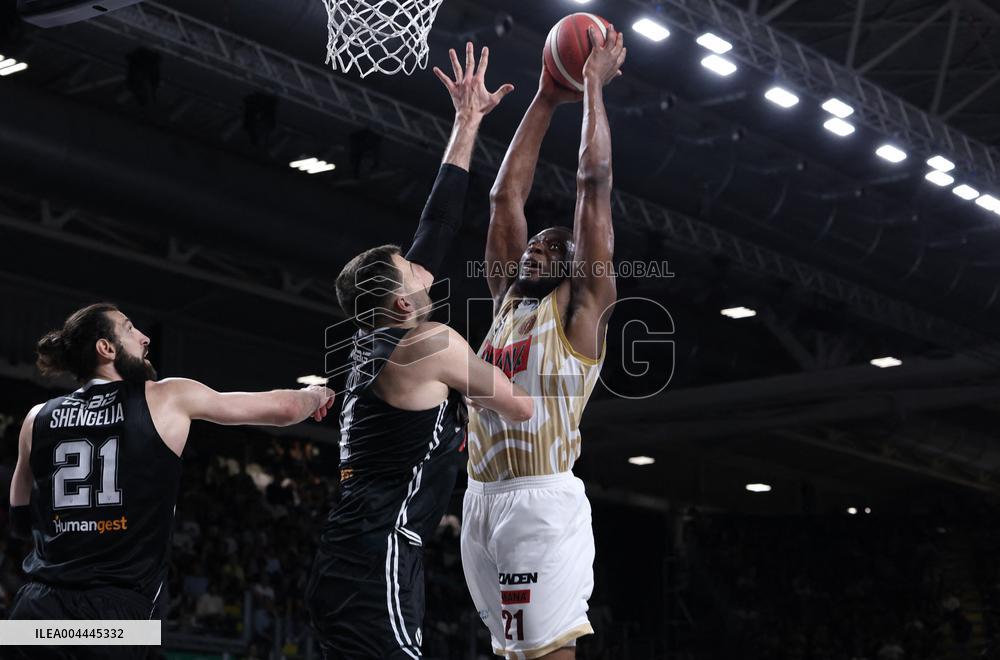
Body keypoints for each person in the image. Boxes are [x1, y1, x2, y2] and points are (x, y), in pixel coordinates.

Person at [304, 43, 531, 660]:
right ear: (403, 303)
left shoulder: (377, 335)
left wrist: (467, 124)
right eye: (413, 272)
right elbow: (520, 407)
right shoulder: (428, 344)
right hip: (379, 552)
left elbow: (436, 228)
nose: (425, 270)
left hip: (355, 551)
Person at [8, 302, 335, 659]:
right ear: (106, 348)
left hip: (34, 614)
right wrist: (314, 395)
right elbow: (284, 410)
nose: (145, 338)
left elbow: (20, 512)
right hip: (115, 619)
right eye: (130, 329)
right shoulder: (165, 397)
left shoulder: (37, 417)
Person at [461, 25, 626, 660]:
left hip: (542, 503)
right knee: (507, 654)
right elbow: (506, 199)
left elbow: (593, 182)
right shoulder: (508, 302)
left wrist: (589, 90)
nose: (535, 248)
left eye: (552, 246)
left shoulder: (582, 306)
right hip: (480, 501)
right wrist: (543, 97)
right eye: (534, 243)